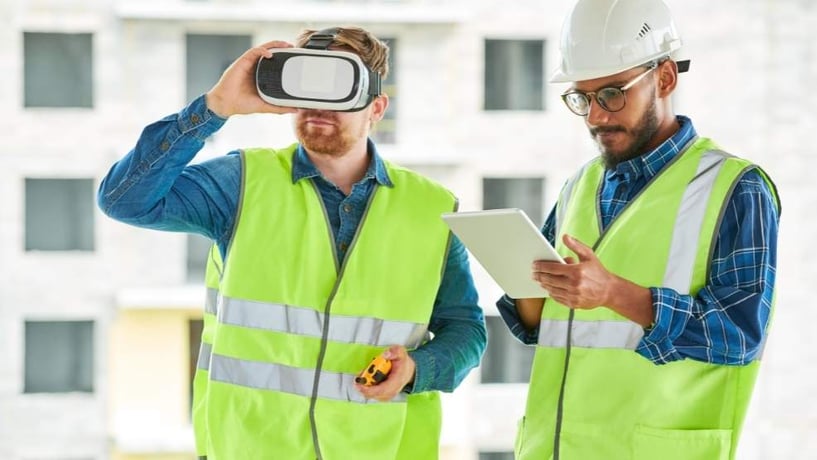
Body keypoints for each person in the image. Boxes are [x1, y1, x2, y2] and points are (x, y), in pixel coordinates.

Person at [98, 26, 487, 460]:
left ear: (376, 107)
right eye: (307, 90)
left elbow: (465, 328)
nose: (319, 108)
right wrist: (215, 108)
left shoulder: (431, 206)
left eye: (338, 92)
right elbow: (124, 200)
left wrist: (419, 369)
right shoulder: (242, 183)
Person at [495, 1, 781, 459]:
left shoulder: (735, 188)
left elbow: (739, 334)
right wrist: (526, 285)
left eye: (611, 94)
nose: (595, 116)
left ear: (664, 78)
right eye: (582, 98)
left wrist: (614, 293)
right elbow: (543, 327)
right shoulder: (579, 185)